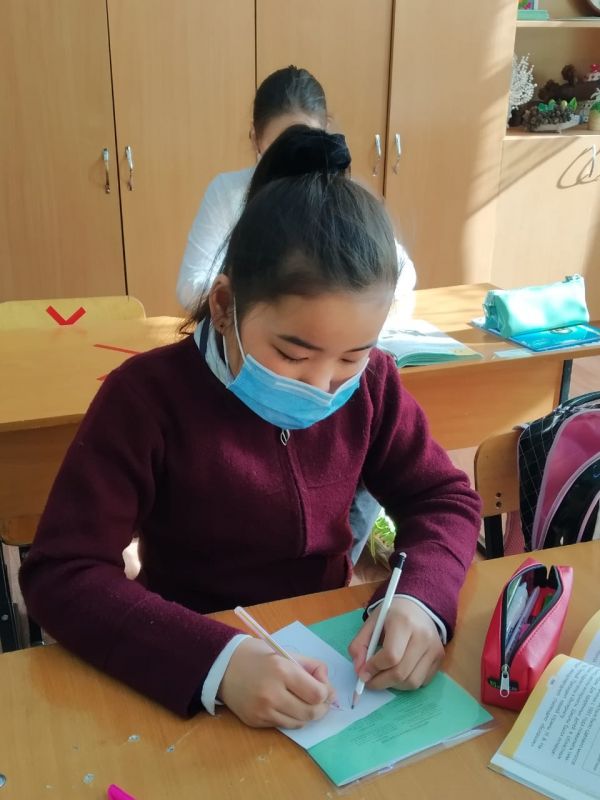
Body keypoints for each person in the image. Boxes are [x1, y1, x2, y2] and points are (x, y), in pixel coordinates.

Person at [20, 128, 481, 731]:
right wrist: (218, 663)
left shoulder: (373, 385)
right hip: (187, 664)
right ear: (223, 306)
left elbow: (443, 497)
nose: (323, 385)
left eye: (352, 356)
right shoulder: (146, 399)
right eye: (292, 354)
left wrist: (421, 598)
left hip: (329, 660)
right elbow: (61, 573)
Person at [176, 65, 416, 314]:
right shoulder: (227, 193)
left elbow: (403, 273)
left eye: (304, 143)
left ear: (325, 130)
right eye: (278, 147)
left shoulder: (343, 195)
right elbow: (190, 287)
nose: (291, 159)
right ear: (256, 138)